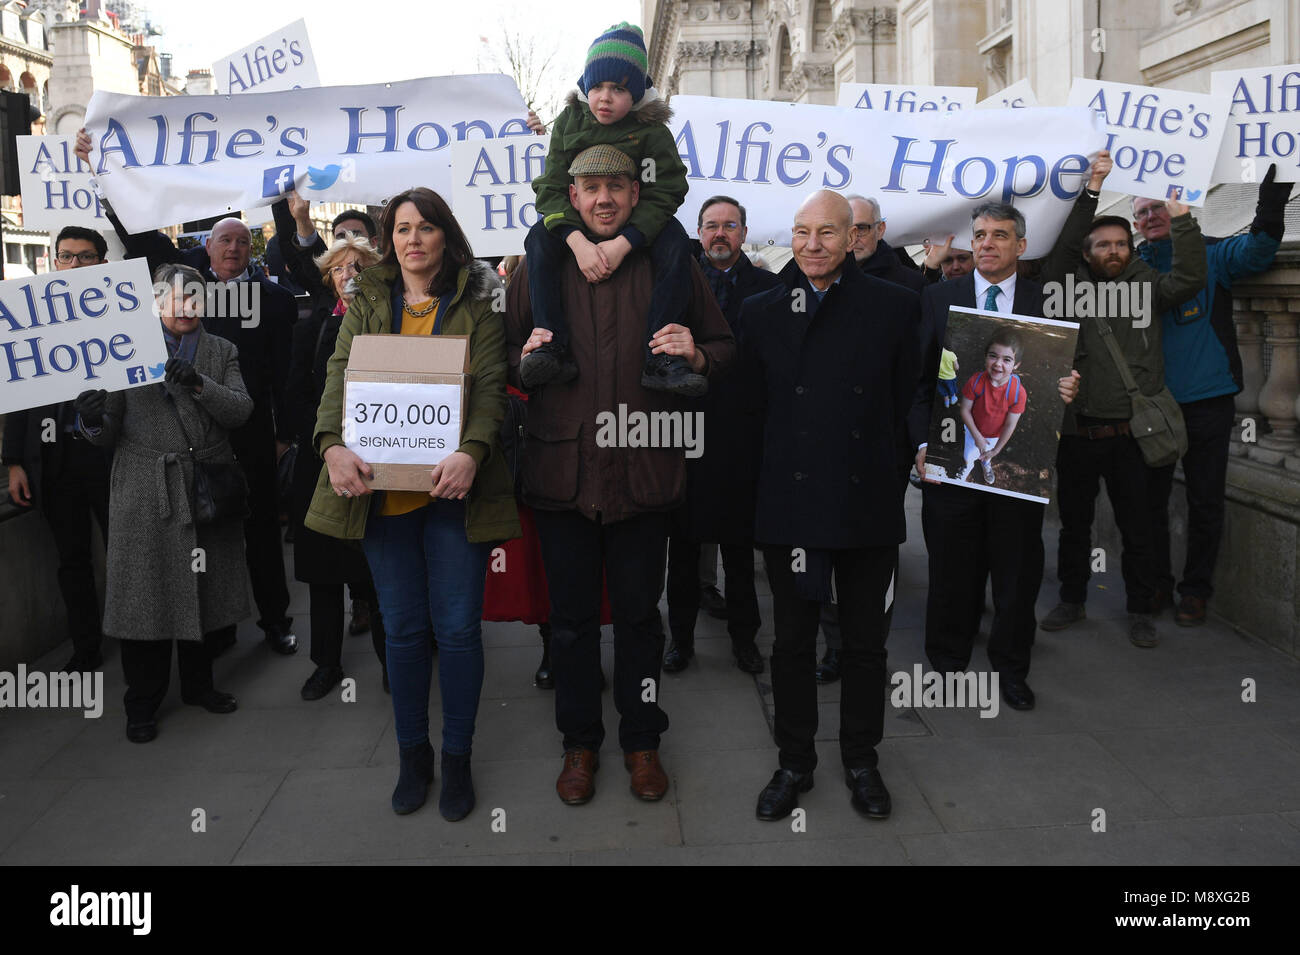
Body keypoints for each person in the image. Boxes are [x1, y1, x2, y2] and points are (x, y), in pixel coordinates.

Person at [505, 145, 735, 807]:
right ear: (571, 199)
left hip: (645, 475)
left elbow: (723, 349)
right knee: (572, 624)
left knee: (639, 620)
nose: (603, 197)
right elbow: (502, 353)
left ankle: (641, 740)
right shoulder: (539, 266)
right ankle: (579, 743)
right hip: (561, 474)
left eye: (616, 186)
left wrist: (695, 351)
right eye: (590, 187)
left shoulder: (672, 264)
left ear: (636, 197)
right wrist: (523, 361)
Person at [306, 187, 520, 821]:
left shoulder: (478, 302)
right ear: (389, 238)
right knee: (401, 633)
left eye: (426, 228)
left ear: (445, 237)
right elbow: (336, 382)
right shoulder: (366, 301)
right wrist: (330, 446)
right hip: (382, 500)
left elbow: (488, 390)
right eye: (401, 229)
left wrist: (474, 451)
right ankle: (412, 755)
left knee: (456, 633)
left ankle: (457, 756)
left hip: (455, 496)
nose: (413, 239)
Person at [77, 127, 299, 658]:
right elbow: (138, 233)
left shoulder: (276, 300)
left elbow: (286, 374)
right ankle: (216, 632)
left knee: (260, 530)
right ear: (206, 247)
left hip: (247, 430)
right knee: (207, 534)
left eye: (244, 241)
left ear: (253, 249)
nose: (235, 248)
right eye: (225, 239)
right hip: (191, 439)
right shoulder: (181, 277)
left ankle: (275, 622)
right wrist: (101, 174)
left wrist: (284, 435)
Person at [741, 189, 919, 822]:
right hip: (789, 505)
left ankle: (862, 759)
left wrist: (912, 453)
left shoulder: (896, 306)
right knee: (791, 643)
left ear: (852, 239)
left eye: (825, 233)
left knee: (866, 644)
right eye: (800, 232)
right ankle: (794, 762)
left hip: (865, 501)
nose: (811, 244)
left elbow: (917, 393)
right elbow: (744, 407)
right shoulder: (760, 310)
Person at [75, 263, 252, 742]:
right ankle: (142, 704)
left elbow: (241, 411)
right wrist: (89, 419)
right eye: (174, 298)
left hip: (204, 486)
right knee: (144, 598)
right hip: (143, 488)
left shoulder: (222, 350)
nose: (185, 306)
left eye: (193, 297)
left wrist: (198, 383)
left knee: (202, 594)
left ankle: (200, 687)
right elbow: (106, 432)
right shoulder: (123, 350)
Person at [1041, 183, 1207, 648]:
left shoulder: (1148, 286)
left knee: (1138, 527)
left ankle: (1140, 609)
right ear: (1087, 252)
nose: (1113, 251)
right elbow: (1063, 250)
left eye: (1120, 244)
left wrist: (1183, 220)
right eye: (1102, 245)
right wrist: (1089, 194)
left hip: (1131, 435)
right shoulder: (1066, 288)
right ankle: (1072, 599)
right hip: (1077, 434)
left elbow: (1190, 277)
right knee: (1074, 525)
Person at [1135, 165, 1293, 626]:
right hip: (1154, 405)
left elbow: (1261, 248)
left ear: (1179, 207)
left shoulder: (1214, 255)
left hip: (1209, 401)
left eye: (1158, 207)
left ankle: (1195, 590)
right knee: (1150, 503)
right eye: (1141, 212)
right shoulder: (1129, 269)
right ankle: (1158, 583)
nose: (1150, 217)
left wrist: (1275, 183)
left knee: (1206, 500)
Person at [519, 22, 699, 396]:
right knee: (538, 238)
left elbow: (669, 188)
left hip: (638, 225)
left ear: (635, 93)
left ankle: (662, 355)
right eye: (597, 86)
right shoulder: (571, 120)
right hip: (581, 225)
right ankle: (551, 344)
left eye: (618, 88)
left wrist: (626, 242)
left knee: (677, 241)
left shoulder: (652, 131)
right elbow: (551, 187)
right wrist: (575, 241)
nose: (605, 97)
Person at [662, 195, 782, 675]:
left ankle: (745, 640)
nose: (719, 234)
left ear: (744, 232)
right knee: (685, 550)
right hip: (687, 435)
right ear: (699, 230)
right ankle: (681, 641)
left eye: (729, 225)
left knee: (738, 552)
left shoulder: (769, 288)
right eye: (711, 225)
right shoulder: (676, 284)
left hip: (743, 440)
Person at [2, 227, 114, 672]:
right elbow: (18, 393)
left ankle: (141, 637)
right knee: (72, 561)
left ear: (102, 265)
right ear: (53, 262)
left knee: (124, 553)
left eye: (84, 258)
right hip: (54, 462)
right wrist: (13, 461)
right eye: (65, 257)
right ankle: (85, 648)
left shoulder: (121, 315)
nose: (72, 266)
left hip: (108, 456)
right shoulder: (30, 316)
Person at [287, 235, 388, 700]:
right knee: (323, 571)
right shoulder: (311, 325)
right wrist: (329, 445)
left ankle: (395, 661)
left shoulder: (390, 322)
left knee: (379, 570)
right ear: (329, 279)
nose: (348, 274)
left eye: (358, 266)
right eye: (339, 269)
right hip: (322, 462)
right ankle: (325, 663)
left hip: (378, 460)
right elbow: (297, 394)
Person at [956, 327, 1027, 486]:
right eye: (993, 356)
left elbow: (1010, 425)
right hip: (972, 429)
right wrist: (977, 436)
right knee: (969, 454)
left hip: (994, 436)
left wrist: (996, 450)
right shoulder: (975, 381)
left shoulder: (1018, 393)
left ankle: (986, 464)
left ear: (1016, 364)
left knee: (988, 454)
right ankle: (966, 467)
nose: (998, 364)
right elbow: (965, 409)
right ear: (985, 356)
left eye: (1007, 359)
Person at [847, 195, 924, 292]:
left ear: (880, 230)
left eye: (861, 228)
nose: (853, 238)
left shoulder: (913, 285)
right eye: (847, 228)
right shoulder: (824, 278)